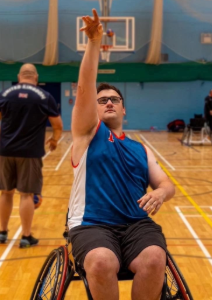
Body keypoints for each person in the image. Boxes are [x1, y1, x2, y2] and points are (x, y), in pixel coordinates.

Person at [67, 9, 175, 300]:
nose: (109, 103)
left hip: (136, 225)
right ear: (95, 109)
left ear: (124, 108)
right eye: (102, 101)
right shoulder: (87, 133)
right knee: (102, 261)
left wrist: (161, 194)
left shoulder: (140, 148)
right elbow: (86, 89)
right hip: (92, 225)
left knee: (155, 258)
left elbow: (166, 184)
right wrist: (93, 43)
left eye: (115, 99)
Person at [0, 64, 63, 248]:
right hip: (30, 153)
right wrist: (54, 140)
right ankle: (26, 236)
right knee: (27, 195)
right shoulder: (45, 97)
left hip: (6, 151)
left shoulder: (5, 94)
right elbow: (58, 126)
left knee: (6, 193)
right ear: (36, 78)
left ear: (19, 76)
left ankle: (3, 232)